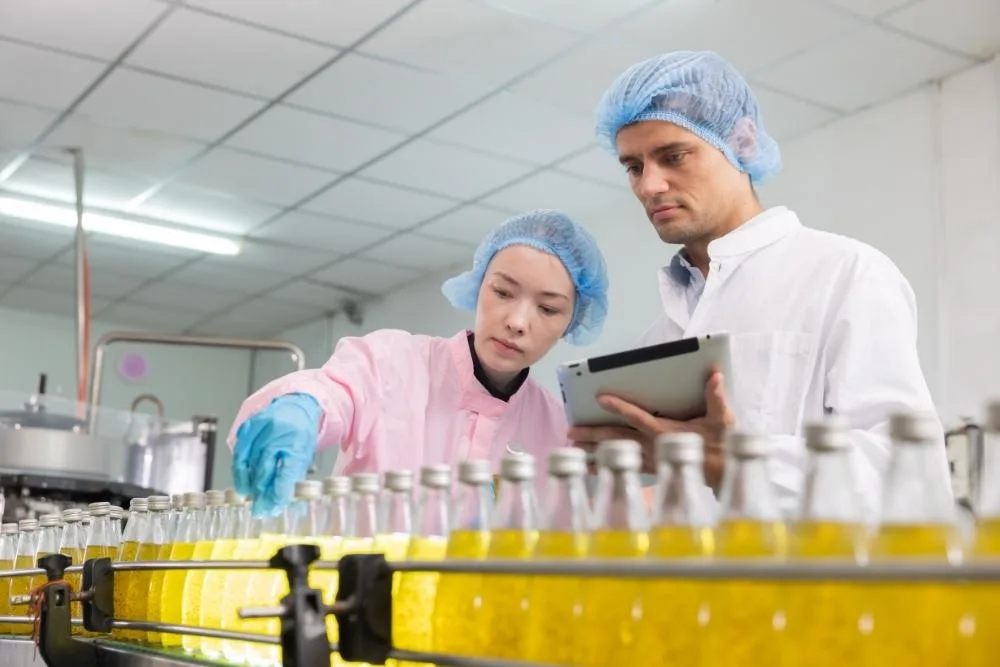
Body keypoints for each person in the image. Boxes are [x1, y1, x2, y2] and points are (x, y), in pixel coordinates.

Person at [570, 50, 949, 521]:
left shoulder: (847, 274)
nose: (649, 186)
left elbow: (911, 475)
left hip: (803, 593)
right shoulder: (659, 337)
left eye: (673, 156)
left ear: (742, 143)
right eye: (633, 167)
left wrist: (734, 465)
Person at [229, 209, 609, 516]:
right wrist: (303, 406)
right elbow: (334, 390)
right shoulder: (393, 362)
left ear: (570, 324)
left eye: (547, 308)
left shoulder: (558, 430)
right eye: (503, 292)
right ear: (478, 288)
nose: (517, 321)